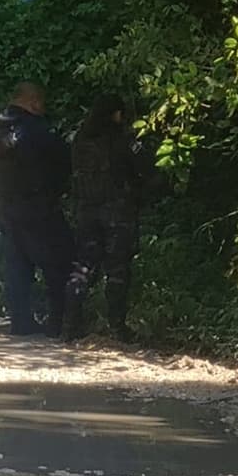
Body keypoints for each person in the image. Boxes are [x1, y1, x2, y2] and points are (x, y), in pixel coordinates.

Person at [0, 81, 74, 336]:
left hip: (8, 205)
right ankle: (57, 321)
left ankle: (21, 321)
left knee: (17, 266)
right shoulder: (36, 129)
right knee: (56, 262)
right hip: (39, 207)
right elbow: (62, 159)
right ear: (33, 101)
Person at [63, 93, 149, 343]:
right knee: (118, 269)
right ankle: (118, 328)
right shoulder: (123, 139)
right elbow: (146, 169)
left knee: (83, 266)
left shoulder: (79, 139)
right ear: (116, 114)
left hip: (86, 211)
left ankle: (70, 325)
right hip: (117, 213)